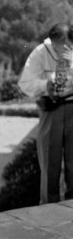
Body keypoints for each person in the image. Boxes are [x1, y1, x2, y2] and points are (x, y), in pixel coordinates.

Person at [18, 23, 73, 204]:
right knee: (50, 165)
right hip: (51, 109)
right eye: (60, 46)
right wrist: (45, 85)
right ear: (52, 42)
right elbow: (25, 83)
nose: (64, 49)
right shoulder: (41, 52)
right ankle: (49, 212)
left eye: (68, 45)